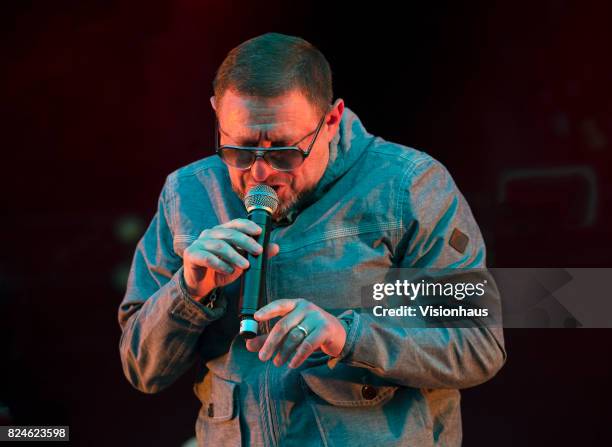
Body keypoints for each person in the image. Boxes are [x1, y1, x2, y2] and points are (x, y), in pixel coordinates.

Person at [118, 32, 506, 446]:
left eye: (284, 151)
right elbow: (142, 370)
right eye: (241, 150)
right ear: (217, 116)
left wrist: (347, 337)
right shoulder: (188, 194)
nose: (261, 174)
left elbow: (477, 344)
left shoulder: (406, 186)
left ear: (333, 119)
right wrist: (189, 292)